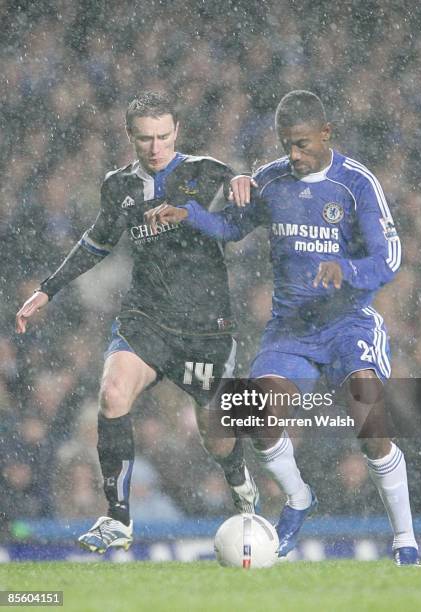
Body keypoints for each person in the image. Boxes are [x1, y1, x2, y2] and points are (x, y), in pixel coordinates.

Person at [149, 90, 421, 565]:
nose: (293, 154)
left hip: (346, 323)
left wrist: (348, 271)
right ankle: (299, 499)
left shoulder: (356, 184)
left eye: (302, 144)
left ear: (326, 133)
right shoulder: (271, 181)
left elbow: (390, 257)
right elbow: (233, 227)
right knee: (261, 417)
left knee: (369, 421)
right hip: (290, 330)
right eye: (285, 144)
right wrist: (189, 214)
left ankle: (405, 539)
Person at [15, 91, 261, 554]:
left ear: (177, 132)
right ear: (130, 137)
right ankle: (118, 517)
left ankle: (239, 480)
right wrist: (48, 288)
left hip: (205, 329)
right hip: (146, 318)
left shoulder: (202, 170)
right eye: (145, 138)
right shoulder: (118, 186)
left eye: (163, 136)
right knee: (111, 394)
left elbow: (241, 190)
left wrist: (246, 180)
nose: (155, 147)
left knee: (217, 434)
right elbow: (96, 242)